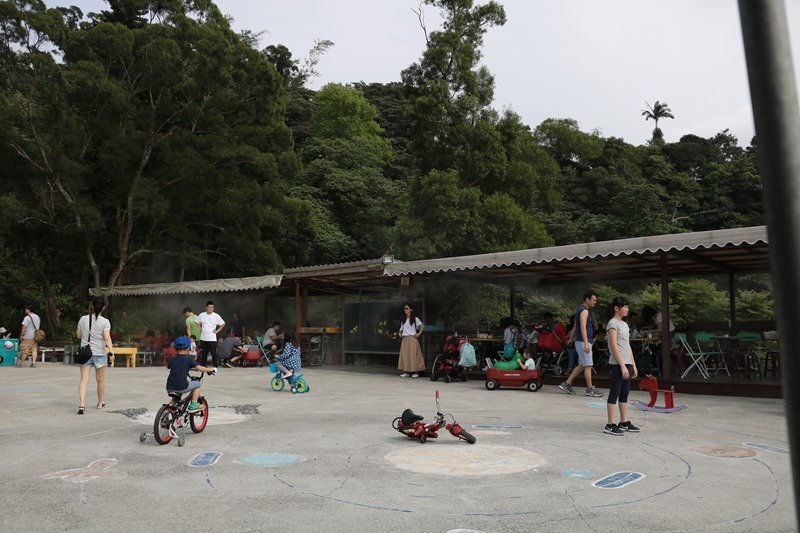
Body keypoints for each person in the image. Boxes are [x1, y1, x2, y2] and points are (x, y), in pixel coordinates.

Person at [604, 296, 640, 436]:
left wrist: (633, 365)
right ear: (616, 308)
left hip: (628, 363)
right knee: (615, 393)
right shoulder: (612, 324)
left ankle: (624, 421)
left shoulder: (625, 325)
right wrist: (623, 365)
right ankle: (610, 424)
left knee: (625, 393)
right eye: (624, 307)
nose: (627, 309)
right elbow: (614, 346)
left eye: (627, 307)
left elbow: (627, 346)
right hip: (617, 364)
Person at [559, 290, 604, 397]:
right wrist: (586, 343)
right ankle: (590, 389)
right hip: (584, 341)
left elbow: (575, 326)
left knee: (582, 365)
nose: (595, 302)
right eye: (593, 300)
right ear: (587, 299)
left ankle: (567, 383)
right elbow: (583, 327)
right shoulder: (584, 311)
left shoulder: (579, 309)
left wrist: (571, 338)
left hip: (580, 341)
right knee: (588, 365)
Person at [76, 297, 115, 414]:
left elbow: (78, 335)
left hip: (85, 353)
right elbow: (107, 338)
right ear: (103, 307)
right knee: (100, 380)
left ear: (92, 306)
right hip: (99, 353)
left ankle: (82, 404)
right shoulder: (105, 322)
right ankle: (99, 403)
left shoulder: (83, 319)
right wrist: (112, 352)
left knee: (84, 379)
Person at [165, 336, 215, 413]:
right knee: (197, 384)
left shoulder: (173, 359)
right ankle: (193, 405)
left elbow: (169, 367)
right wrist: (211, 369)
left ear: (175, 348)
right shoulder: (188, 359)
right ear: (188, 348)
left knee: (175, 400)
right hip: (181, 386)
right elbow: (200, 368)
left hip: (170, 387)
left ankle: (164, 414)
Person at [397, 302, 426, 378]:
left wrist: (418, 334)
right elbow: (401, 330)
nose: (405, 310)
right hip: (405, 339)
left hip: (412, 338)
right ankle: (406, 371)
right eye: (404, 308)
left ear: (411, 309)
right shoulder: (403, 319)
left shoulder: (415, 318)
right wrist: (400, 334)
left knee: (413, 355)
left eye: (407, 308)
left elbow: (422, 326)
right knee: (406, 355)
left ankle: (416, 372)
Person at [195, 301, 225, 367]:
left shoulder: (216, 315)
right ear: (206, 307)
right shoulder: (202, 315)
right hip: (203, 337)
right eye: (209, 307)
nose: (211, 308)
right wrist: (200, 328)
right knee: (204, 352)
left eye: (212, 307)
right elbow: (196, 322)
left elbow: (222, 323)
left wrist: (218, 330)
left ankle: (215, 365)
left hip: (212, 337)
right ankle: (203, 365)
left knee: (213, 352)